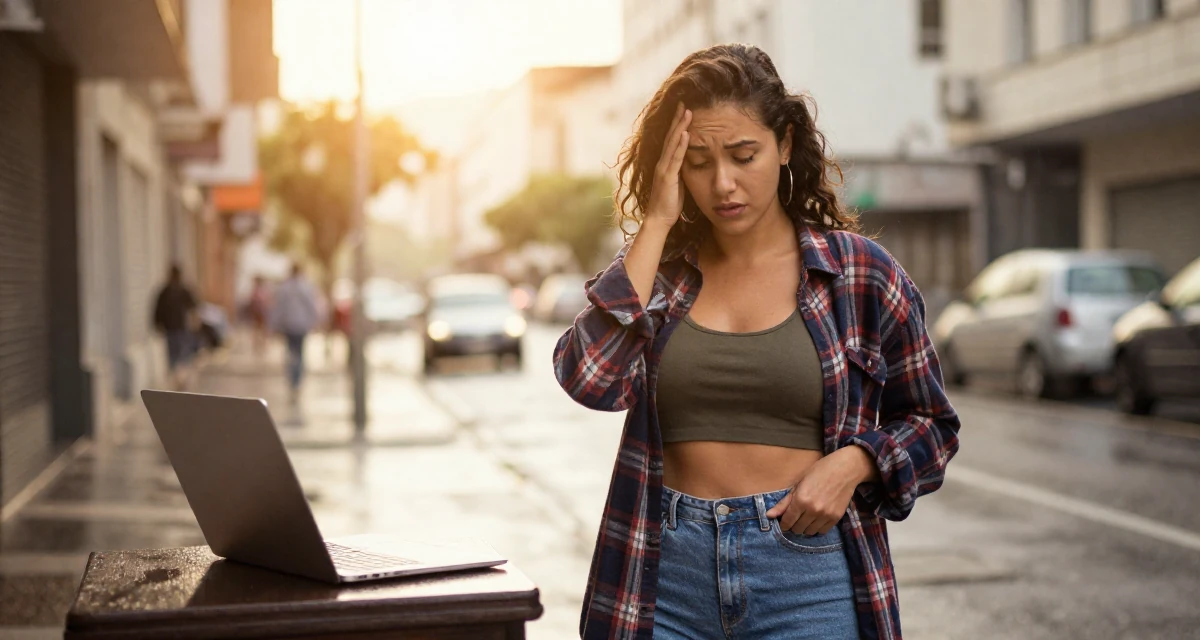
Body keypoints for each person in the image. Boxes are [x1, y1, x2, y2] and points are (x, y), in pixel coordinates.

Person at [552, 44, 961, 640]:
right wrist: (657, 223)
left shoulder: (860, 274)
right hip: (663, 576)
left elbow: (933, 425)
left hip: (808, 577)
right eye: (697, 162)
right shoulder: (656, 274)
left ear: (785, 144)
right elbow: (589, 380)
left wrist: (857, 462)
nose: (723, 184)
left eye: (745, 156)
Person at [269, 263, 322, 404]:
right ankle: (297, 381)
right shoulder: (305, 286)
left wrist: (273, 325)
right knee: (299, 353)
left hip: (289, 325)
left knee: (291, 353)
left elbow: (278, 308)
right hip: (301, 325)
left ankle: (292, 380)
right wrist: (316, 320)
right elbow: (312, 306)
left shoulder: (284, 288)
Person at [153, 264, 198, 390]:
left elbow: (193, 307)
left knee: (179, 354)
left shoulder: (173, 291)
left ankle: (179, 378)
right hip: (174, 329)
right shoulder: (170, 291)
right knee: (178, 354)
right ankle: (178, 379)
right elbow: (158, 310)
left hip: (178, 328)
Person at [247, 275, 271, 355]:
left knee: (260, 329)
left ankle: (261, 344)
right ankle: (259, 344)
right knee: (259, 328)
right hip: (259, 312)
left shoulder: (259, 290)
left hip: (261, 312)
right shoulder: (261, 290)